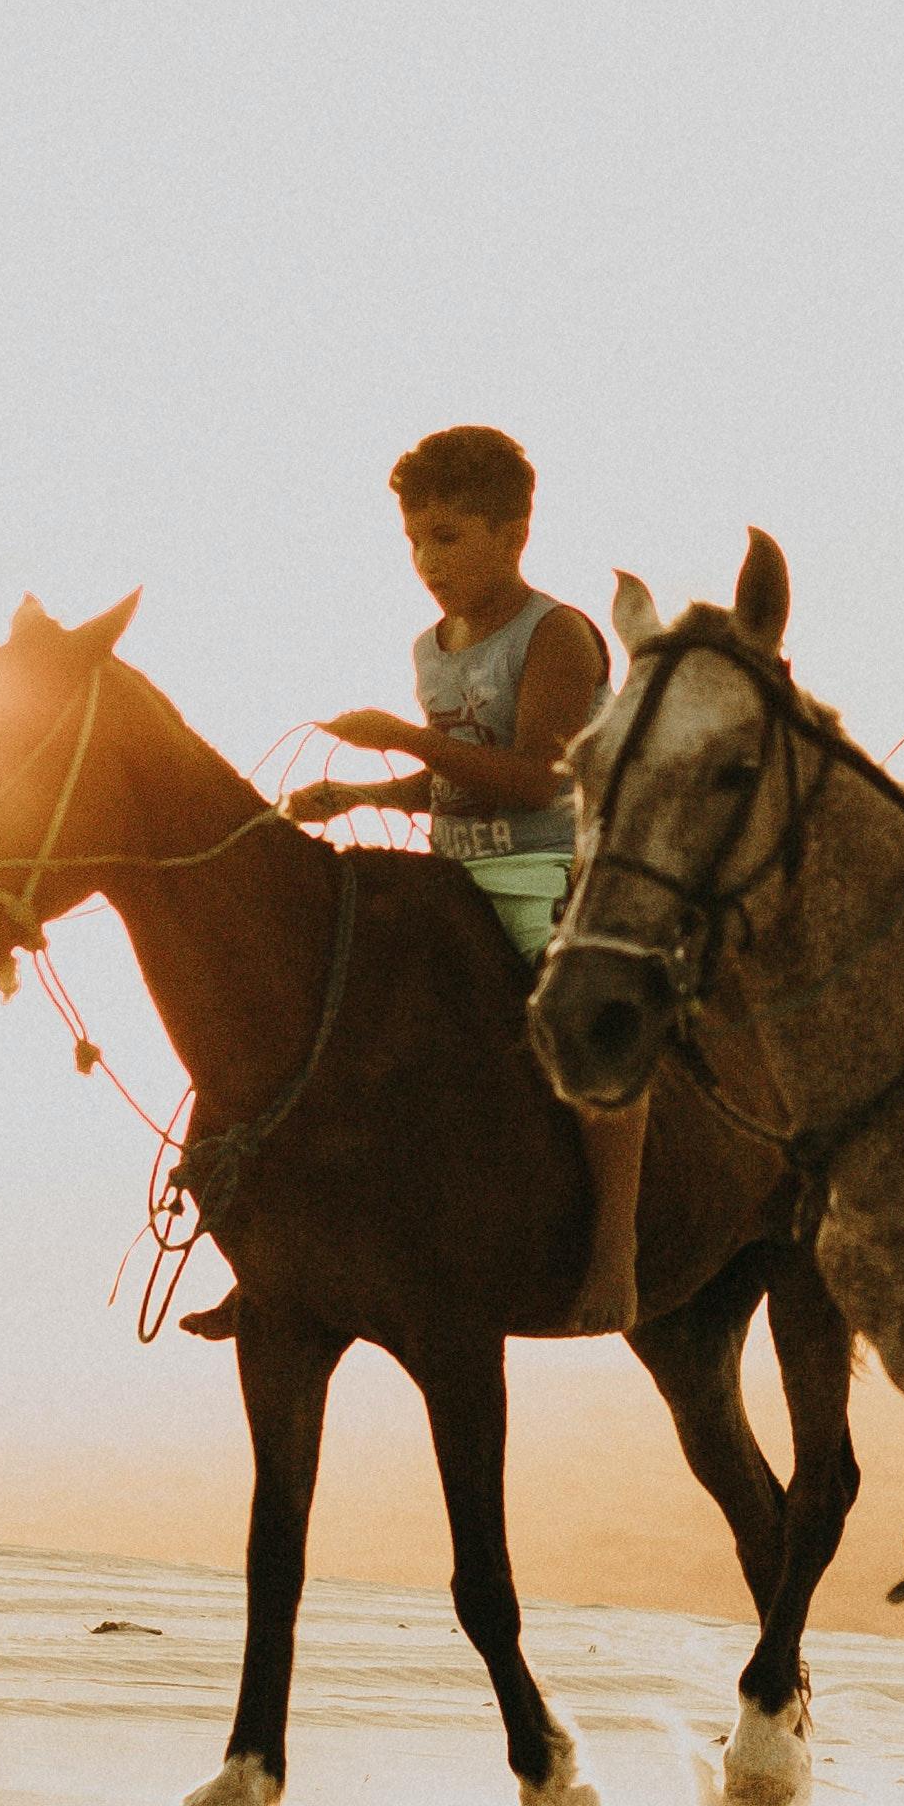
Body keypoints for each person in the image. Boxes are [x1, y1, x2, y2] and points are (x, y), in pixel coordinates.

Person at [283, 424, 650, 1334]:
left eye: (446, 537)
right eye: (413, 540)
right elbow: (459, 774)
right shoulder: (431, 645)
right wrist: (364, 789)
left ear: (513, 532)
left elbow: (538, 777)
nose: (425, 561)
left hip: (549, 872)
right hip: (455, 871)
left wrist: (403, 739)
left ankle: (615, 1253)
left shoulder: (556, 634)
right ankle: (294, 1244)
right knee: (321, 1001)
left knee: (589, 1025)